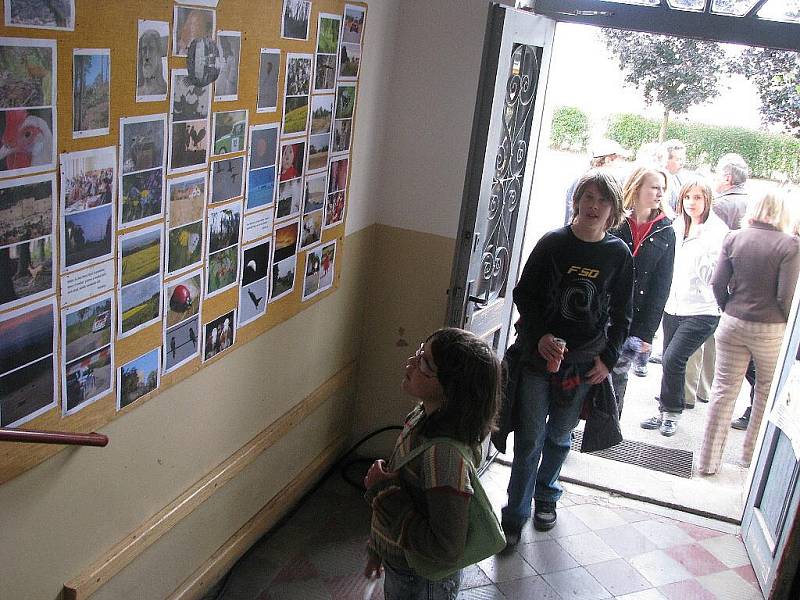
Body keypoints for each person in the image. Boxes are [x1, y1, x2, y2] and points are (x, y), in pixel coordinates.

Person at [502, 169, 633, 542]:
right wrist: (539, 335)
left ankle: (547, 496)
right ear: (577, 201)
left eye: (602, 199)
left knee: (560, 436)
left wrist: (608, 359)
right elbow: (524, 294)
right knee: (529, 438)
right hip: (537, 360)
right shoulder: (553, 243)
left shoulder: (617, 254)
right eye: (588, 197)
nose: (594, 205)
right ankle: (514, 513)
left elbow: (623, 314)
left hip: (582, 364)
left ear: (613, 209)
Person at [363, 328, 502, 599]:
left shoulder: (444, 457)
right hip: (403, 564)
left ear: (452, 387)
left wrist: (382, 492)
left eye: (426, 363)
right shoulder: (420, 417)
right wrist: (377, 550)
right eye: (419, 352)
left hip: (421, 579)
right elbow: (405, 495)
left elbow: (446, 548)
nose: (411, 363)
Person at [698, 191, 800, 474]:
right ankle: (749, 459)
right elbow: (785, 296)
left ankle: (708, 462)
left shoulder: (733, 237)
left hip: (731, 322)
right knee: (765, 391)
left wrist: (728, 307)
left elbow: (718, 283)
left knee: (723, 391)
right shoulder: (790, 245)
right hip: (770, 328)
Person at [641, 178, 729, 437]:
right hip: (673, 305)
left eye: (697, 198)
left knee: (673, 358)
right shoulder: (676, 226)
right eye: (687, 198)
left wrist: (700, 247)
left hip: (702, 309)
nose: (692, 203)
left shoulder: (716, 231)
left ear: (707, 200)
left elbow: (714, 277)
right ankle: (664, 411)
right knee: (670, 359)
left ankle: (672, 413)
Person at [610, 166, 675, 410]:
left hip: (633, 318)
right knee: (586, 371)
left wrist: (646, 333)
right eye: (655, 187)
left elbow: (662, 286)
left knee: (618, 375)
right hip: (601, 311)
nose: (660, 193)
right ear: (637, 187)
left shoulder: (665, 230)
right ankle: (570, 425)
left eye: (662, 189)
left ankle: (606, 432)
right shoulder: (615, 221)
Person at [563, 140, 628, 225]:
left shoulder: (581, 180)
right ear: (608, 160)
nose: (620, 167)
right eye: (619, 161)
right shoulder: (582, 183)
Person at [713, 153, 751, 230]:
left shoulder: (719, 206)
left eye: (717, 174)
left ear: (727, 179)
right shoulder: (752, 201)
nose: (714, 178)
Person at [663, 139, 689, 212]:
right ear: (665, 159)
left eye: (683, 159)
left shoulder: (679, 177)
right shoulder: (659, 181)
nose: (682, 163)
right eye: (678, 159)